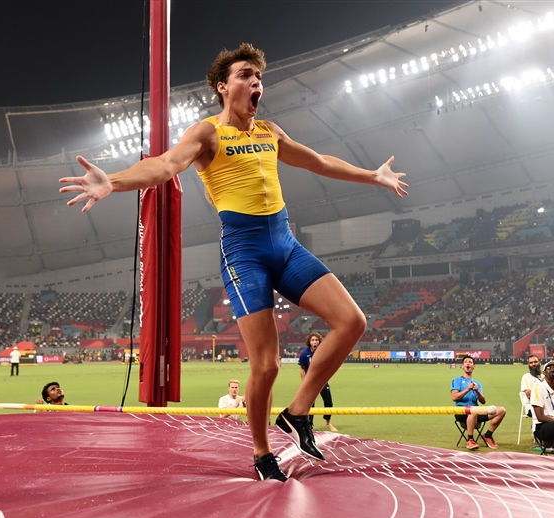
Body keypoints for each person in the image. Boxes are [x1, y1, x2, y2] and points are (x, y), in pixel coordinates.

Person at [59, 43, 407, 482]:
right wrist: (113, 181)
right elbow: (165, 166)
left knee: (352, 321)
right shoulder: (206, 134)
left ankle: (298, 413)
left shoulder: (269, 131)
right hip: (244, 249)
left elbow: (318, 162)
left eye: (259, 76)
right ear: (224, 87)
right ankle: (262, 453)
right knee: (266, 364)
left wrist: (372, 175)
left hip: (284, 243)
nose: (256, 82)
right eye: (245, 75)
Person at [450, 356, 507, 450]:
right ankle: (470, 440)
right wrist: (467, 389)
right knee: (473, 411)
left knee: (501, 410)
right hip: (461, 411)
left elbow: (483, 401)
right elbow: (454, 397)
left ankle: (488, 435)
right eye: (466, 362)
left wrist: (477, 391)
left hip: (476, 411)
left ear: (474, 366)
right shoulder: (457, 380)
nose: (468, 363)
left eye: (470, 362)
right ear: (462, 366)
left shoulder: (477, 383)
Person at [298, 332, 337, 432]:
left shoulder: (324, 351)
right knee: (311, 404)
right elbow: (302, 368)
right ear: (309, 342)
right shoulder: (305, 353)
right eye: (313, 340)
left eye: (316, 340)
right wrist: (304, 382)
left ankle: (327, 422)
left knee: (329, 402)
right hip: (310, 382)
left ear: (319, 342)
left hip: (322, 381)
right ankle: (310, 425)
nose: (315, 342)